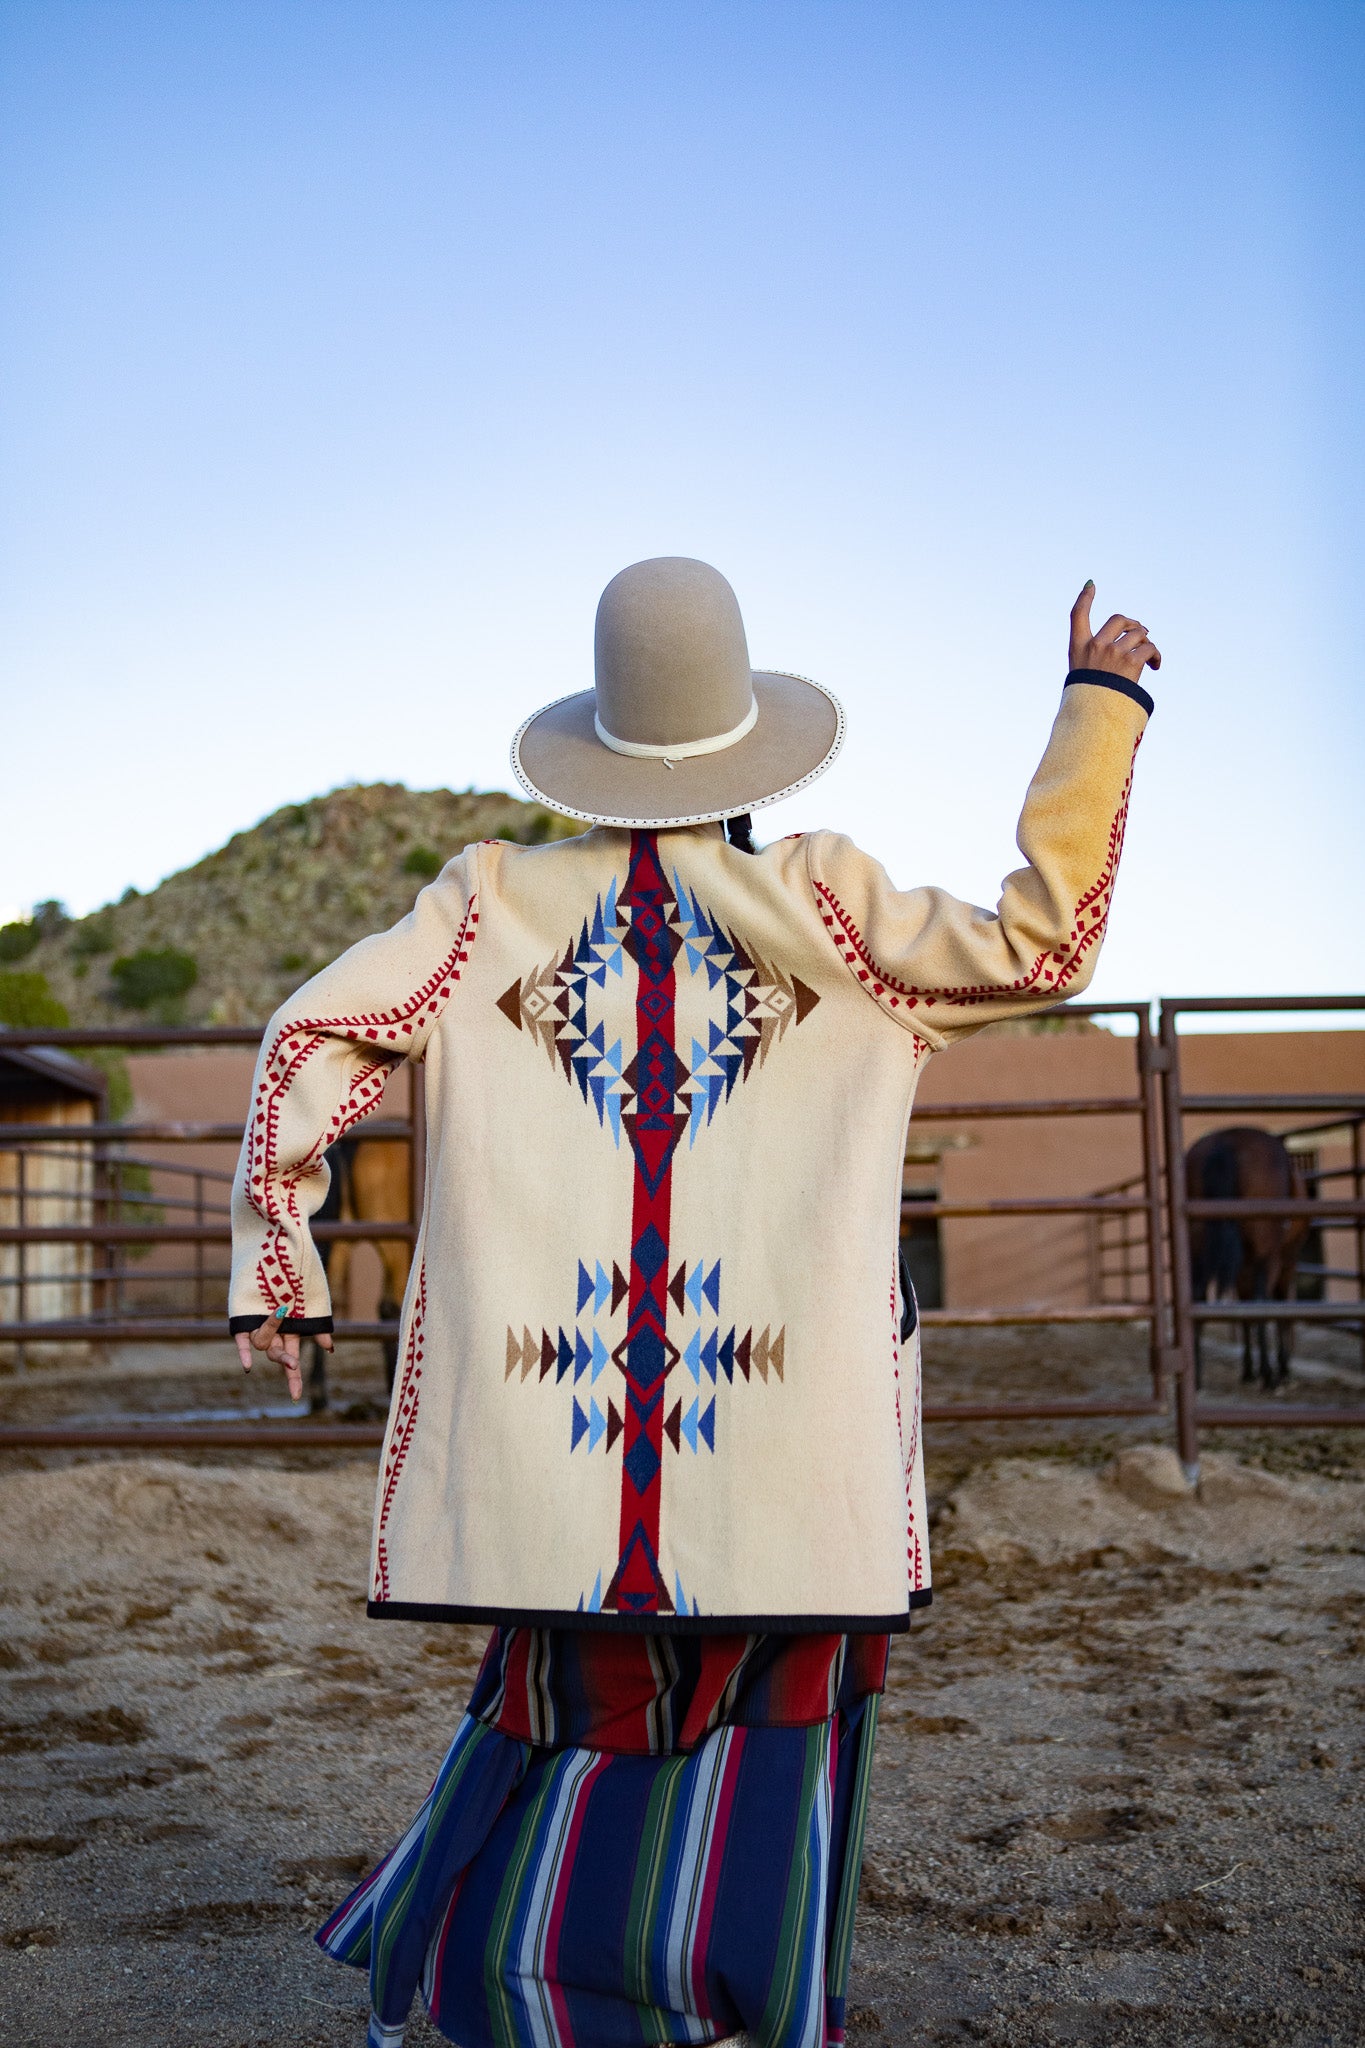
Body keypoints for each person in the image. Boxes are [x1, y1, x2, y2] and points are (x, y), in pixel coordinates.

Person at [230, 557, 1158, 2048]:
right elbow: (1043, 944)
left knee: (557, 1704)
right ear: (748, 743)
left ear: (596, 751)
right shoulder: (828, 907)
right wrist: (1098, 710)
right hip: (791, 1452)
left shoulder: (485, 908)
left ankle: (500, 1986)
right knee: (775, 1716)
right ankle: (731, 1992)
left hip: (556, 1465)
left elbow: (314, 1030)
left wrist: (278, 1254)